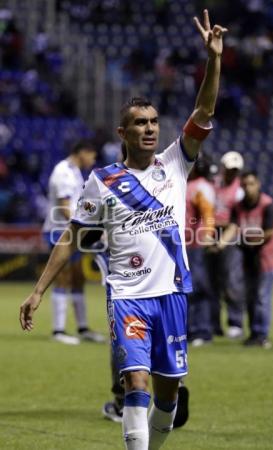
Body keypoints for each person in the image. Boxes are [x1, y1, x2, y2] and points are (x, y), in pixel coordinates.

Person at [20, 10, 227, 450]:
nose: (150, 129)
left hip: (171, 293)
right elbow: (72, 237)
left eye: (153, 122)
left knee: (168, 398)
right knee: (136, 381)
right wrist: (38, 291)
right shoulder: (102, 182)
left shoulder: (177, 162)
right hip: (127, 296)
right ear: (123, 132)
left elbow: (205, 109)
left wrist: (214, 60)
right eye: (140, 123)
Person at [42, 140, 105, 344]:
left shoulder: (75, 171)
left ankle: (83, 328)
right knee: (64, 278)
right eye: (92, 155)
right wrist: (85, 227)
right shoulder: (63, 172)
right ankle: (58, 331)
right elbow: (63, 207)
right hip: (59, 231)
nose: (93, 160)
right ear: (83, 152)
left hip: (73, 232)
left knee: (78, 278)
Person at [216, 171, 273, 348]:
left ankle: (262, 335)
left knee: (262, 296)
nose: (248, 188)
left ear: (258, 184)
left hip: (267, 256)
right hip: (249, 256)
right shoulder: (238, 206)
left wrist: (248, 240)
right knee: (251, 297)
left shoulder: (267, 204)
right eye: (245, 185)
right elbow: (233, 226)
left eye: (251, 184)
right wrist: (221, 244)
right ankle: (254, 334)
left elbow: (269, 232)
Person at [207, 150, 245, 338]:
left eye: (235, 170)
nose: (232, 173)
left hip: (231, 235)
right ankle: (214, 324)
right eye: (229, 169)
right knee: (211, 282)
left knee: (232, 280)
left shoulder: (239, 190)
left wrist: (223, 241)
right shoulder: (213, 184)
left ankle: (235, 322)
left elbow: (237, 220)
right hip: (210, 232)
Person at [185, 153, 217, 346]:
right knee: (186, 288)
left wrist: (207, 233)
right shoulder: (188, 185)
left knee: (199, 287)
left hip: (196, 245)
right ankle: (190, 329)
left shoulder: (201, 186)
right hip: (184, 244)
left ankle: (202, 330)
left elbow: (207, 213)